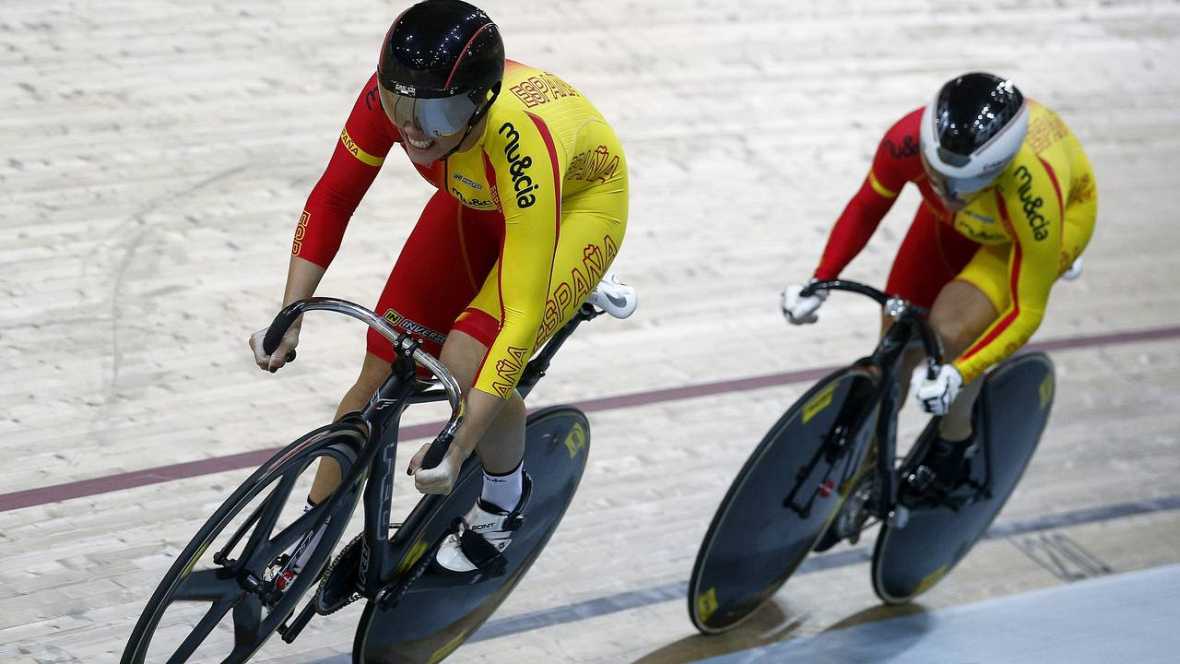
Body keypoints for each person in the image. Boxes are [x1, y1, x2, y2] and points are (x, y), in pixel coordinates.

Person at [249, 0, 628, 577]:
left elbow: (521, 314)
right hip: (477, 197)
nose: (414, 131)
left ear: (481, 105)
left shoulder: (519, 143)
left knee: (466, 359)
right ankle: (304, 542)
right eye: (402, 107)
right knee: (379, 369)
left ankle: (504, 496)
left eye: (441, 116)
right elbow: (332, 198)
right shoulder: (393, 100)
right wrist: (290, 310)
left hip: (575, 208)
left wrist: (458, 444)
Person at [782, 72, 1096, 485]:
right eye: (936, 173)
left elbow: (1028, 310)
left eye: (963, 182)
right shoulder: (906, 140)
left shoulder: (1032, 190)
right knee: (896, 343)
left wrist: (959, 371)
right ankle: (867, 466)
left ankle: (956, 444)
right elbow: (866, 207)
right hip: (962, 221)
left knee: (950, 333)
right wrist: (820, 279)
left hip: (1036, 230)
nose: (947, 191)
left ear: (997, 168)